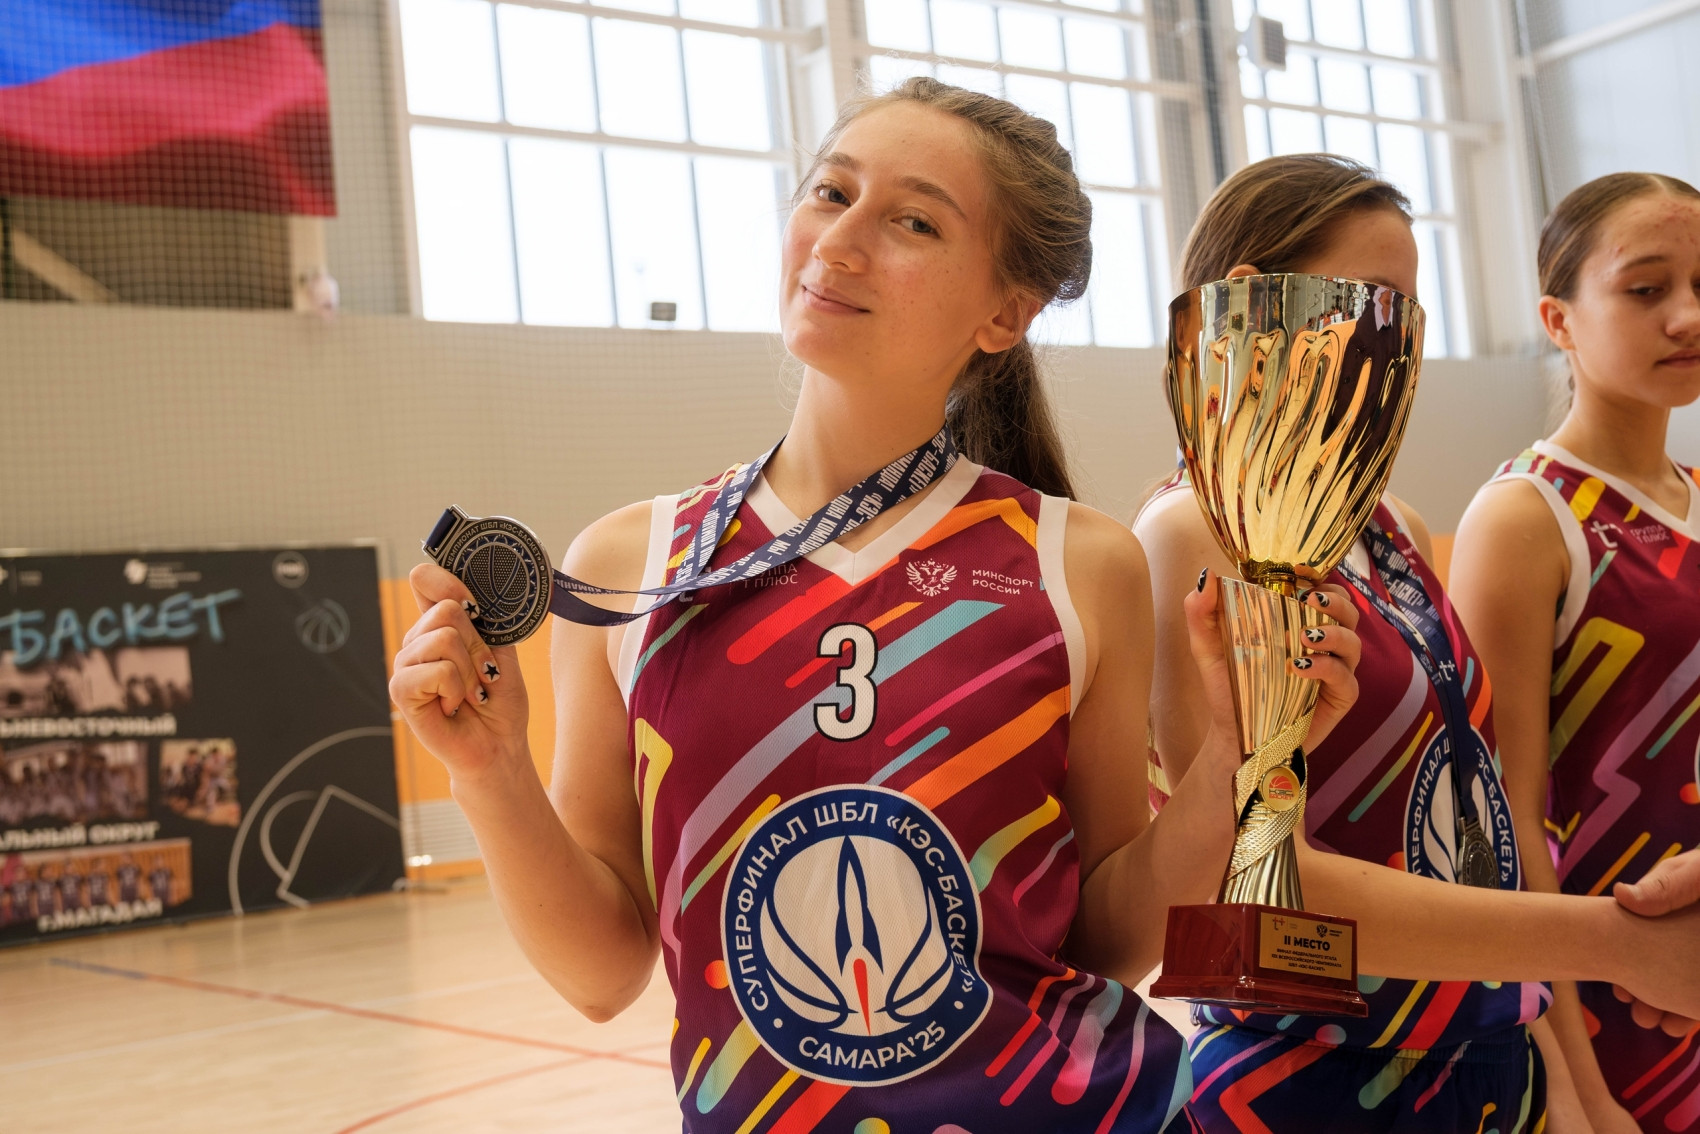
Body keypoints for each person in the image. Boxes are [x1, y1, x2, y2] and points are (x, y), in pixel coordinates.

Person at [391, 79, 1369, 1132]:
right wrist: (488, 771)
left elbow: (1107, 941)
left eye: (913, 222)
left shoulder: (1077, 563)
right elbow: (601, 974)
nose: (839, 241)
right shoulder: (637, 565)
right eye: (830, 192)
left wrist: (1231, 767)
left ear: (1005, 312)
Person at [1134, 154, 1700, 1133]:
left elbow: (1480, 824)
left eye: (1410, 309)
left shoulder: (1389, 522)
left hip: (1478, 1053)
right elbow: (1258, 887)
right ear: (1253, 303)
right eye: (1372, 301)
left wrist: (1552, 1069)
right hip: (1311, 1069)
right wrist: (1611, 941)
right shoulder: (1200, 531)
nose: (1395, 339)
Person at [1451, 172, 1700, 1133]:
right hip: (1607, 999)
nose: (1687, 315)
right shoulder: (1527, 515)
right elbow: (1501, 823)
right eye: (1646, 289)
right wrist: (1579, 1089)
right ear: (1558, 319)